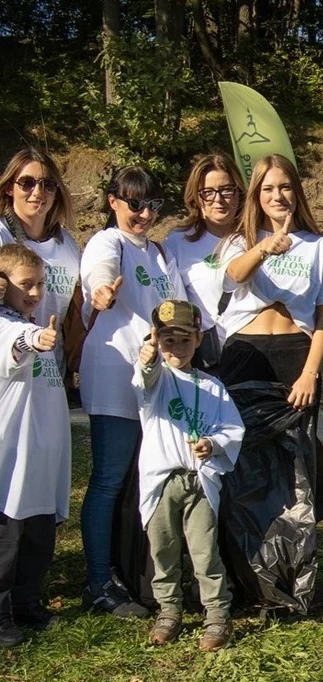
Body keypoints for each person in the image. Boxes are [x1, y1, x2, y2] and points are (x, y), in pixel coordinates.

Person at [219, 153, 323, 611]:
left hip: (295, 360)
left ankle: (294, 585)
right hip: (244, 360)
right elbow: (234, 276)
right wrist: (264, 248)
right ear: (256, 195)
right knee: (243, 474)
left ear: (297, 192)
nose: (278, 196)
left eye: (286, 187)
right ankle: (245, 583)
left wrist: (311, 372)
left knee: (295, 478)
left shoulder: (319, 246)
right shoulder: (239, 241)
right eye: (268, 189)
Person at [79, 166, 185, 618]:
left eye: (152, 205)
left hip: (155, 380)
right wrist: (100, 291)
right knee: (108, 480)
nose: (143, 213)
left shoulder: (159, 252)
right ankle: (99, 582)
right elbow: (98, 275)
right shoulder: (109, 242)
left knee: (149, 480)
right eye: (134, 203)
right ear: (113, 202)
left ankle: (139, 572)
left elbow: (180, 309)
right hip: (116, 376)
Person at [133, 300, 243, 651]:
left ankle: (216, 613)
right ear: (156, 341)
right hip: (162, 481)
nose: (176, 349)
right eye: (168, 341)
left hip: (200, 481)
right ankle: (169, 608)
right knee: (162, 547)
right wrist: (149, 355)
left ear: (198, 339)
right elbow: (144, 375)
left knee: (204, 549)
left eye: (183, 340)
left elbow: (232, 427)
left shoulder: (212, 386)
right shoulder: (156, 381)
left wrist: (213, 443)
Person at [0, 244, 68, 646]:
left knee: (39, 533)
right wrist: (35, 338)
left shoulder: (33, 319)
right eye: (26, 284)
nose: (36, 292)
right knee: (8, 539)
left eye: (41, 284)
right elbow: (16, 342)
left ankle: (27, 602)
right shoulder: (9, 326)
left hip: (44, 451)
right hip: (13, 455)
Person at [163, 153, 245, 371]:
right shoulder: (178, 242)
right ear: (196, 198)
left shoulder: (257, 238)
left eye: (226, 189)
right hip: (205, 359)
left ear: (239, 193)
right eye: (207, 192)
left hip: (252, 355)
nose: (218, 199)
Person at [0, 149, 80, 367]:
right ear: (9, 188)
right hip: (8, 367)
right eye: (27, 182)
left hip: (53, 369)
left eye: (48, 185)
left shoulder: (68, 245)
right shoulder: (1, 235)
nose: (38, 192)